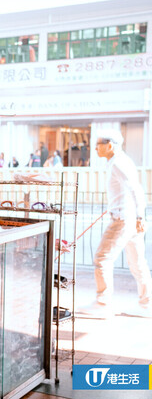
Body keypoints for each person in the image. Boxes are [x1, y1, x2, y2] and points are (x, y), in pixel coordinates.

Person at [84, 129, 151, 317]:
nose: (95, 148)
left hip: (122, 220)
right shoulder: (120, 161)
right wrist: (139, 217)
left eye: (98, 144)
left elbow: (135, 189)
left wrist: (140, 217)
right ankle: (146, 304)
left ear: (110, 145)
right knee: (137, 263)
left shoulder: (118, 163)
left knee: (102, 258)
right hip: (129, 218)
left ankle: (103, 302)